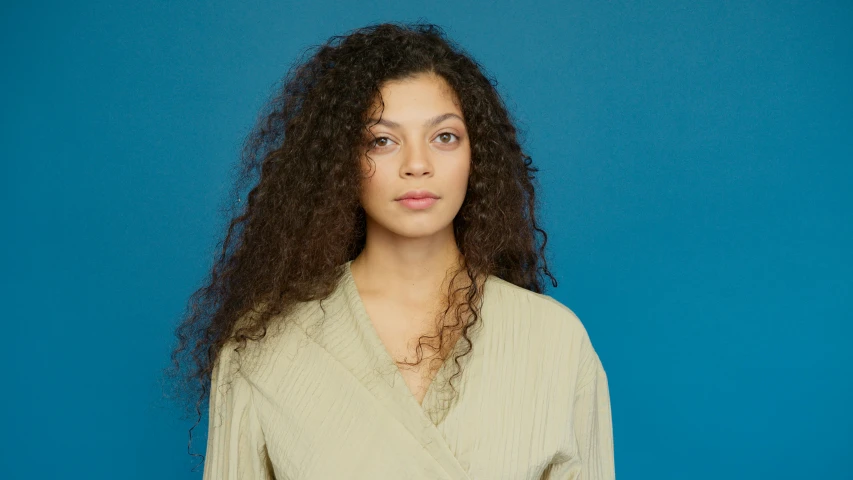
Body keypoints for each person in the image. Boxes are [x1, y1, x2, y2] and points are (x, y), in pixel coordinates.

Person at [169, 21, 614, 479]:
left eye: (444, 137)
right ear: (340, 160)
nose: (417, 165)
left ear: (476, 155)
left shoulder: (555, 341)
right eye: (382, 140)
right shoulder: (263, 346)